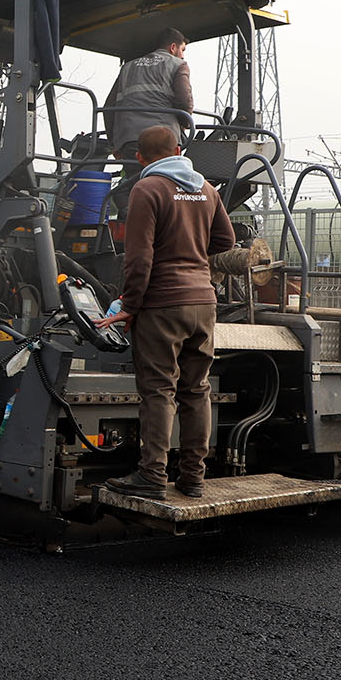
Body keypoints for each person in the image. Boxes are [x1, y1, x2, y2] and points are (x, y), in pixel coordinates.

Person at [97, 125, 235, 499]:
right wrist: (192, 249)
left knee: (159, 391)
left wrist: (128, 306)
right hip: (204, 303)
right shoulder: (206, 189)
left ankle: (152, 476)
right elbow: (226, 241)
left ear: (140, 158)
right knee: (196, 390)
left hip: (163, 305)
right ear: (178, 149)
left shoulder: (148, 188)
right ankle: (193, 478)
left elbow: (138, 259)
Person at [104, 27, 192, 157]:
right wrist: (186, 124)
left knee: (135, 177)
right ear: (173, 47)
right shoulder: (178, 64)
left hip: (129, 140)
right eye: (182, 49)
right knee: (163, 176)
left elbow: (109, 108)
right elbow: (185, 103)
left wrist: (115, 143)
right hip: (163, 139)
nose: (183, 55)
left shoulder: (127, 67)